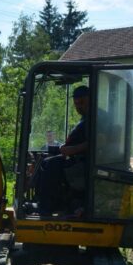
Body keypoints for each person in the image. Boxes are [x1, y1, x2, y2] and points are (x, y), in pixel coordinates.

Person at [35, 85, 90, 215]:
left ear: (90, 99)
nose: (78, 107)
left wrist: (70, 150)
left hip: (85, 164)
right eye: (76, 104)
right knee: (44, 160)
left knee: (51, 164)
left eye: (81, 103)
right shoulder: (85, 118)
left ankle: (46, 209)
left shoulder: (97, 118)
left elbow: (94, 144)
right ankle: (47, 203)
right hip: (76, 158)